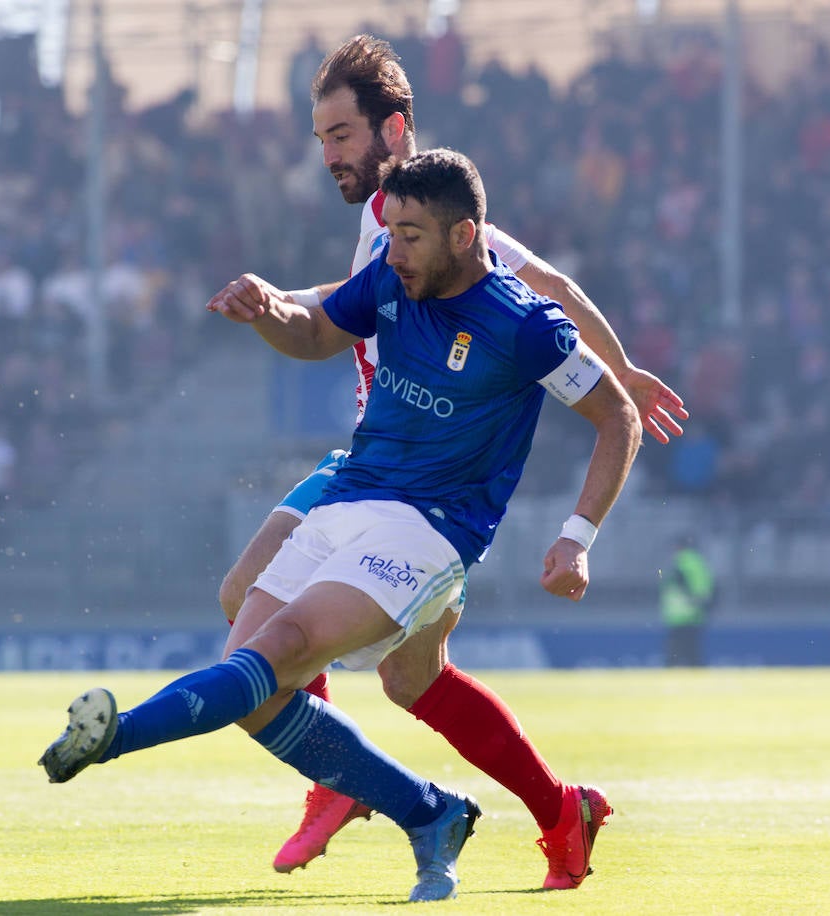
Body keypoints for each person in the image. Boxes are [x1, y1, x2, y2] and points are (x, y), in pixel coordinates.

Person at [39, 149, 644, 902]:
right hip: (348, 497)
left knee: (286, 650)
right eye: (391, 233)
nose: (395, 249)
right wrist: (269, 314)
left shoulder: (526, 325)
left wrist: (577, 537)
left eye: (412, 235)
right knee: (259, 690)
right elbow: (317, 333)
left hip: (428, 528)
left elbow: (618, 415)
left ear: (464, 236)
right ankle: (429, 813)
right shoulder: (391, 276)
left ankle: (116, 735)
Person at [208, 34, 688, 889]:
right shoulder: (385, 222)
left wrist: (619, 374)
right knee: (388, 667)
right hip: (369, 466)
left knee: (329, 640)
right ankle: (553, 809)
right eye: (321, 138)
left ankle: (343, 776)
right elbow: (337, 310)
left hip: (423, 485)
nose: (328, 155)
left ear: (394, 129)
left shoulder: (453, 227)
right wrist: (276, 301)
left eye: (341, 135)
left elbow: (550, 288)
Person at [659, 533, 716, 667]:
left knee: (675, 655)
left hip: (683, 616)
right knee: (691, 654)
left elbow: (688, 588)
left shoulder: (683, 563)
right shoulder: (698, 563)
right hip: (692, 615)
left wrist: (691, 599)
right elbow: (705, 589)